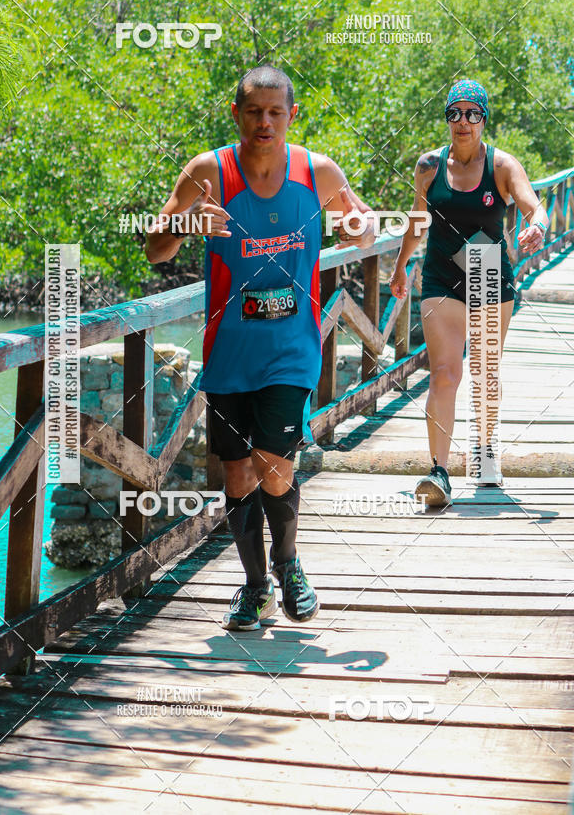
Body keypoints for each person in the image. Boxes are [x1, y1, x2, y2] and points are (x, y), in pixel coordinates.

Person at [145, 64, 377, 629]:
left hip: (292, 350)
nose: (264, 122)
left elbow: (363, 226)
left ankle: (288, 563)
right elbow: (155, 249)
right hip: (229, 352)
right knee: (237, 477)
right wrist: (188, 224)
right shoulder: (208, 172)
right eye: (254, 112)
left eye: (275, 112)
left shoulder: (317, 172)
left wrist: (359, 227)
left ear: (291, 115)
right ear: (237, 114)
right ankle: (254, 588)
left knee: (274, 465)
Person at [389, 79, 548, 506]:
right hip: (440, 276)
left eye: (473, 113)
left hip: (488, 274)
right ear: (447, 118)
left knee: (484, 372)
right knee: (445, 372)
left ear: (484, 119)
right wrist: (401, 265)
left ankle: (484, 450)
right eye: (455, 113)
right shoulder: (428, 166)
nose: (464, 121)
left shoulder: (502, 165)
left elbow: (533, 204)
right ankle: (439, 472)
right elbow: (417, 221)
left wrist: (537, 224)